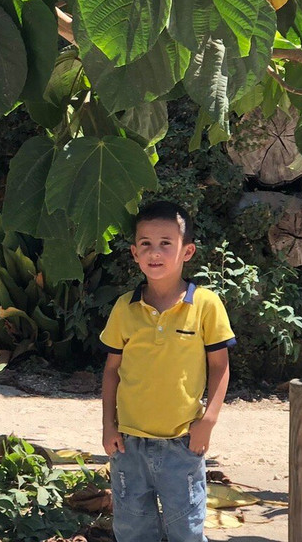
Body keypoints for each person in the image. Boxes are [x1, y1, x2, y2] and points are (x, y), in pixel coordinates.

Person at [100, 201, 235, 542]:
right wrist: (108, 425)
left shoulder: (205, 305)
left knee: (186, 531)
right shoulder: (125, 307)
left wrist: (208, 422)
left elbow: (220, 366)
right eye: (145, 243)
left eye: (166, 243)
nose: (155, 252)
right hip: (128, 444)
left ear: (187, 251)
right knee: (132, 530)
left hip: (183, 443)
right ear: (134, 252)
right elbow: (112, 370)